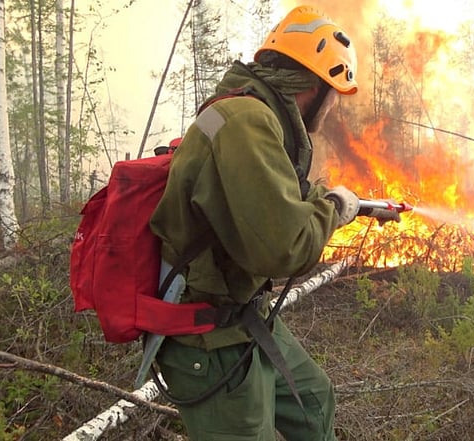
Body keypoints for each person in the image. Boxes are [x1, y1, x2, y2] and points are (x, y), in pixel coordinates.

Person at [149, 6, 398, 440]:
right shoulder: (246, 123)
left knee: (314, 401)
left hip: (242, 314)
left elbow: (281, 197)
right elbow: (285, 248)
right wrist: (334, 211)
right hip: (207, 337)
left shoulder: (258, 118)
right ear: (314, 85)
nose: (334, 107)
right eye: (334, 92)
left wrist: (352, 204)